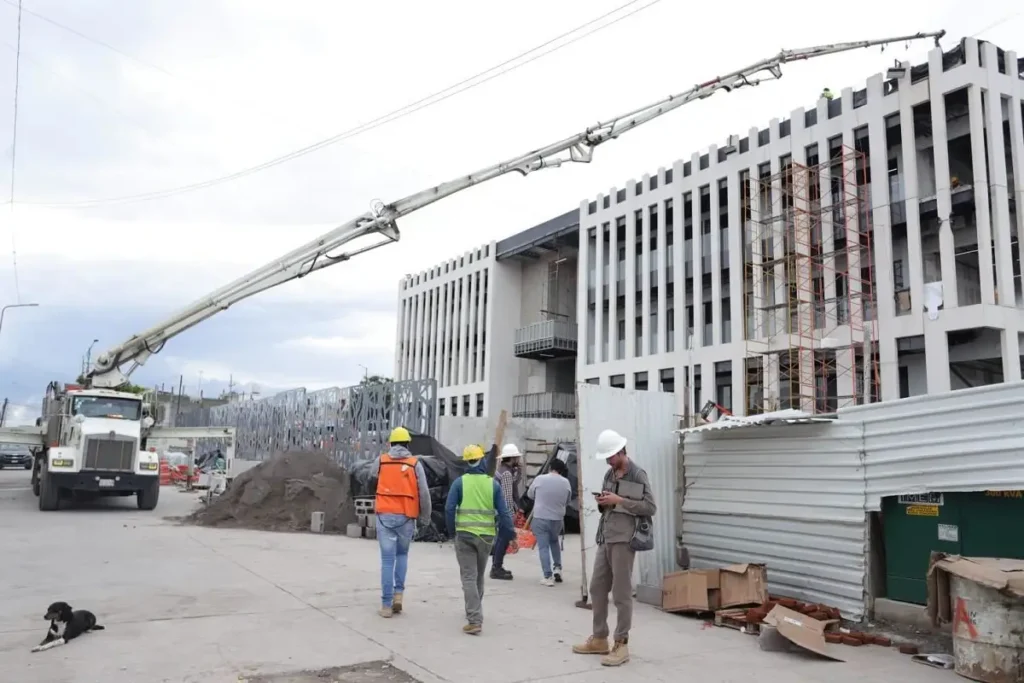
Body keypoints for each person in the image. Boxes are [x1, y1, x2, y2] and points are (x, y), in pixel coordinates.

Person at [572, 429, 656, 668]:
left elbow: (650, 507)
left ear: (621, 452)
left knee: (621, 593)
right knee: (597, 588)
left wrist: (619, 501)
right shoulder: (609, 473)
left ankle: (621, 643)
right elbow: (608, 505)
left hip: (624, 540)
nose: (608, 461)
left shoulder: (638, 474)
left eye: (610, 456)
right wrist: (603, 502)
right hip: (606, 536)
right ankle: (599, 638)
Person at [445, 443, 514, 635]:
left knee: (468, 576)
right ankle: (475, 609)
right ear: (482, 460)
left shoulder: (459, 483)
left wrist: (451, 532)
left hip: (464, 535)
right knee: (478, 576)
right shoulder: (492, 484)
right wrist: (511, 533)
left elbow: (449, 509)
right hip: (486, 537)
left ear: (467, 462)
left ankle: (474, 618)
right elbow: (504, 513)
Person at [370, 426, 431, 619]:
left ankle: (386, 605)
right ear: (407, 444)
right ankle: (398, 595)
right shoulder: (415, 464)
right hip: (406, 516)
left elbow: (371, 478)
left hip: (384, 516)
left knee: (387, 560)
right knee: (402, 555)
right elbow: (424, 493)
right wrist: (425, 517)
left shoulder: (381, 461)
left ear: (390, 444)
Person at [527, 457, 572, 586]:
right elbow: (568, 501)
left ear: (550, 467)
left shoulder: (540, 479)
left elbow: (530, 495)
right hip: (557, 519)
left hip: (541, 517)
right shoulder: (566, 482)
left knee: (543, 547)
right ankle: (557, 568)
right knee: (554, 542)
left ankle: (547, 576)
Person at [490, 443, 523, 580]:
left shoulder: (500, 470)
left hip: (498, 510)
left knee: (500, 539)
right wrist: (511, 515)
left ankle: (496, 566)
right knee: (503, 540)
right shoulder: (507, 474)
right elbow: (507, 497)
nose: (518, 460)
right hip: (504, 512)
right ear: (512, 458)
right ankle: (497, 568)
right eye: (517, 457)